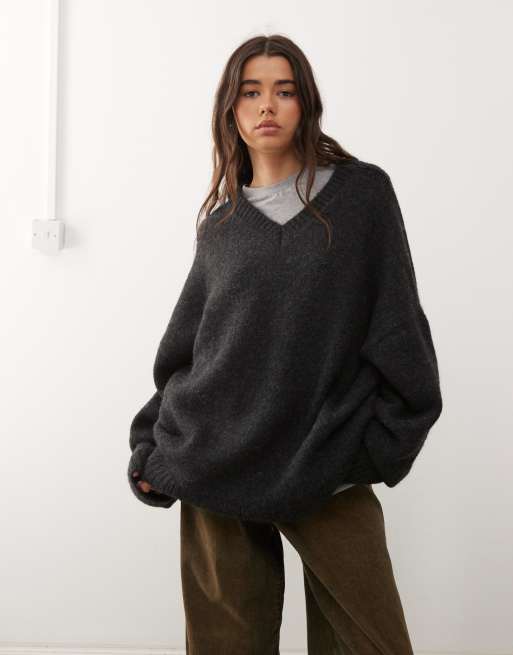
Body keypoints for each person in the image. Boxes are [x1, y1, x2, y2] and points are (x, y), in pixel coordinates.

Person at [127, 34, 443, 654]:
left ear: (306, 104)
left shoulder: (361, 197)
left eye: (284, 91)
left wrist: (375, 452)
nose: (267, 105)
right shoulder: (221, 226)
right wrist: (151, 448)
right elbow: (188, 352)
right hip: (215, 462)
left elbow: (400, 330)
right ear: (231, 109)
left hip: (326, 461)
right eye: (250, 92)